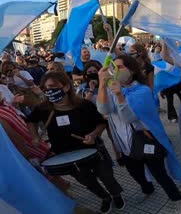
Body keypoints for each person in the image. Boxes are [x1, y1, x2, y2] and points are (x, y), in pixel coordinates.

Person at [97, 55, 181, 212]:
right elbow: (104, 110)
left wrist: (119, 96)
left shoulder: (143, 91)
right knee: (135, 173)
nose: (115, 70)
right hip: (124, 145)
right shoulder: (112, 89)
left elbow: (128, 118)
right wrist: (102, 86)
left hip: (145, 140)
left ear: (132, 70)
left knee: (159, 173)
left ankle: (175, 197)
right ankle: (147, 190)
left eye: (120, 67)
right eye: (114, 67)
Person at [26, 72, 124, 214]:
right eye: (45, 87)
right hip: (65, 155)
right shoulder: (43, 108)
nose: (48, 90)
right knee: (87, 181)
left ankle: (116, 195)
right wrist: (34, 137)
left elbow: (101, 123)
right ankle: (105, 197)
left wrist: (93, 134)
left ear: (66, 87)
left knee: (106, 176)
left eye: (52, 86)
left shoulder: (83, 105)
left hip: (93, 150)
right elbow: (31, 120)